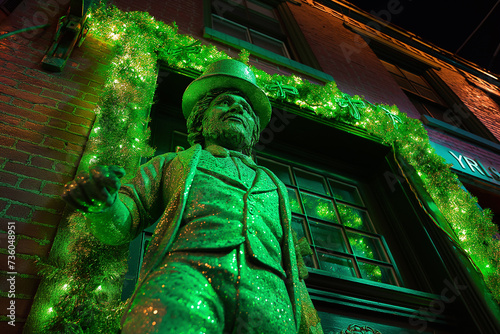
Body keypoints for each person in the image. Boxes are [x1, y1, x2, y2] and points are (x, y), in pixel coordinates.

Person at [62, 59, 323, 334]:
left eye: (246, 108)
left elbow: (294, 268)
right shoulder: (173, 163)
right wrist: (105, 204)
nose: (236, 108)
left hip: (271, 295)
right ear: (202, 117)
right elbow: (122, 222)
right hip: (187, 275)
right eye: (224, 102)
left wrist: (311, 326)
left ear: (254, 129)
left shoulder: (276, 186)